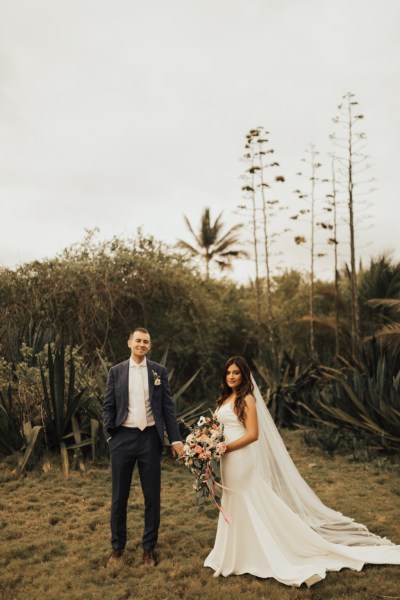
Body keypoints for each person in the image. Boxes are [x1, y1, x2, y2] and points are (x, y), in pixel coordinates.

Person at [204, 356, 400, 587]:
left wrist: (224, 446)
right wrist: (208, 443)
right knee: (232, 500)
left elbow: (252, 434)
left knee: (245, 498)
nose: (232, 376)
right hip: (227, 459)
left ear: (244, 375)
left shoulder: (247, 399)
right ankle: (234, 552)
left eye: (236, 372)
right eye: (228, 373)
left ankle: (257, 553)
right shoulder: (226, 398)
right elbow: (219, 428)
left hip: (240, 458)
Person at [103, 327, 184, 567]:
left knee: (152, 497)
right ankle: (117, 548)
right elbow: (108, 406)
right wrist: (110, 436)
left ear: (150, 345)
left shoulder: (159, 371)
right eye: (138, 340)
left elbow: (168, 407)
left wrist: (176, 439)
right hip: (122, 439)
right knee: (119, 497)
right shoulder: (115, 372)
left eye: (146, 341)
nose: (142, 344)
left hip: (150, 439)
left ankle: (148, 549)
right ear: (129, 343)